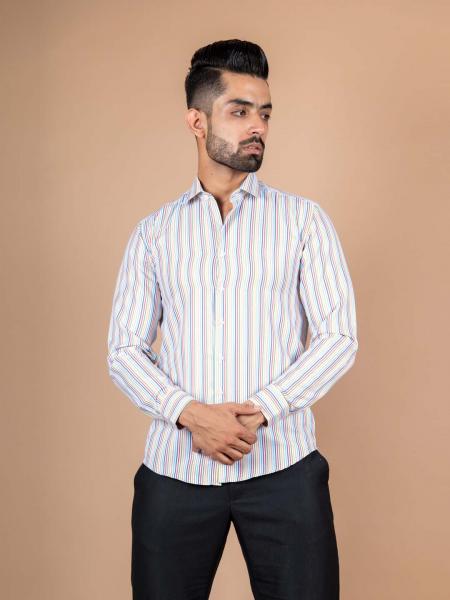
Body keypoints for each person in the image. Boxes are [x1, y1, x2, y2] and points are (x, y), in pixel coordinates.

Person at [107, 38, 358, 600]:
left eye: (264, 113)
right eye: (239, 111)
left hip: (284, 471)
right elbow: (124, 349)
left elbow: (338, 337)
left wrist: (262, 410)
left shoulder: (304, 222)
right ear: (197, 121)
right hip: (176, 473)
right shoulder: (154, 234)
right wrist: (192, 415)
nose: (258, 126)